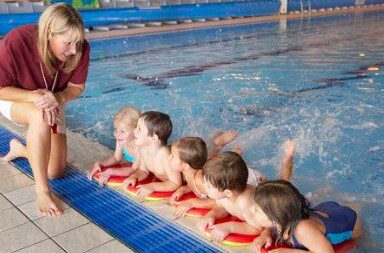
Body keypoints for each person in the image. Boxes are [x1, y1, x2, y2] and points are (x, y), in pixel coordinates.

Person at [0, 3, 90, 217]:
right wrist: (35, 96)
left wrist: (56, 97)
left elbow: (77, 88)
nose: (74, 50)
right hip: (14, 98)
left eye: (77, 43)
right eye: (67, 43)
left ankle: (22, 150)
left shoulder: (81, 49)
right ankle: (42, 190)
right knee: (39, 114)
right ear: (49, 32)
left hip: (52, 102)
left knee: (56, 171)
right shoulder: (16, 41)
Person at [197, 140, 295, 243]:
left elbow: (258, 228)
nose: (204, 186)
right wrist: (211, 215)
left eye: (208, 186)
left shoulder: (245, 203)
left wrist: (229, 227)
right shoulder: (223, 195)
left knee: (283, 183)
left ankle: (288, 157)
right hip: (250, 181)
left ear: (227, 193)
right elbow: (222, 208)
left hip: (263, 190)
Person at [250, 180, 363, 253]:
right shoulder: (282, 218)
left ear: (275, 217)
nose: (250, 210)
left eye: (256, 209)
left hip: (349, 222)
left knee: (361, 245)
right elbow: (270, 225)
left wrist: (292, 252)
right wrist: (265, 234)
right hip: (324, 211)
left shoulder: (302, 230)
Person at [169, 135, 263, 219]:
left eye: (172, 156)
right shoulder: (188, 174)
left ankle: (226, 150)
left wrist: (192, 202)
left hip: (249, 179)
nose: (169, 157)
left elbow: (219, 200)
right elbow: (195, 186)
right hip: (223, 174)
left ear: (185, 166)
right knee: (211, 163)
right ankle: (221, 146)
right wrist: (183, 189)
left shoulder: (200, 180)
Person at [123, 111, 182, 201]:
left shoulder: (165, 155)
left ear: (154, 138)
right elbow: (143, 171)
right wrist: (133, 177)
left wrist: (152, 186)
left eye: (139, 129)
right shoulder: (144, 149)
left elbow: (175, 183)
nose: (134, 131)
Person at [88, 106, 141, 186]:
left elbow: (134, 169)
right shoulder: (121, 141)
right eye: (116, 129)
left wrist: (111, 171)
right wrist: (101, 164)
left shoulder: (140, 146)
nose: (118, 134)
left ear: (136, 130)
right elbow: (116, 158)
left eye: (122, 131)